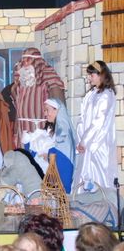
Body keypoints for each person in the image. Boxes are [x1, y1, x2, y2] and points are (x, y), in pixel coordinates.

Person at [74, 60, 117, 193]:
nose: (89, 78)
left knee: (98, 179)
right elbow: (82, 120)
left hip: (97, 145)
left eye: (91, 75)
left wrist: (84, 142)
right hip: (86, 145)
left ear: (101, 75)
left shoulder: (106, 95)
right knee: (83, 178)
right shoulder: (91, 94)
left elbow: (99, 122)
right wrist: (80, 141)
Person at [12, 47, 65, 140]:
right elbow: (18, 109)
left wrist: (56, 131)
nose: (25, 64)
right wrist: (15, 132)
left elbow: (60, 109)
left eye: (28, 60)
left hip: (42, 130)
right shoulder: (21, 82)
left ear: (36, 61)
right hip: (22, 130)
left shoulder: (50, 79)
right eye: (23, 61)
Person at [24, 98, 75, 193]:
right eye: (45, 110)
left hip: (61, 172)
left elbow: (62, 153)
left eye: (47, 110)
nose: (45, 114)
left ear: (57, 110)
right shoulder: (56, 128)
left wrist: (48, 154)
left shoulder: (63, 131)